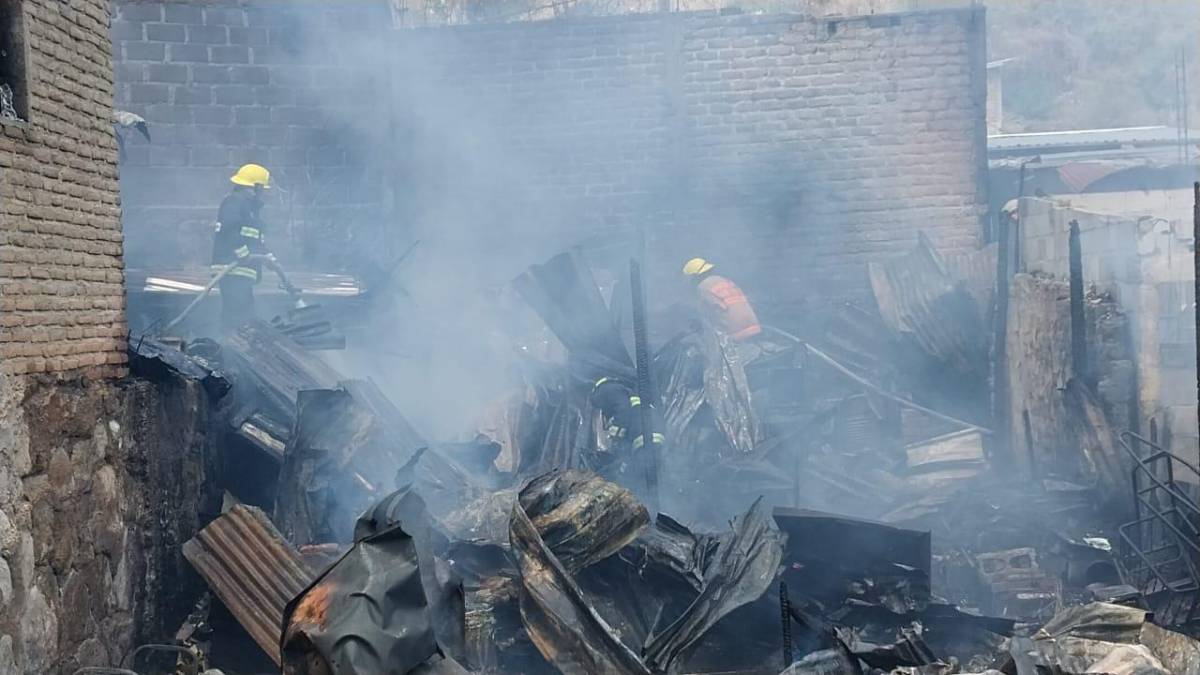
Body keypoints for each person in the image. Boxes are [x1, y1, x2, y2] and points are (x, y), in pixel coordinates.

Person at [210, 163, 296, 332]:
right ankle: (232, 345)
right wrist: (243, 254)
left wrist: (269, 259)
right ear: (254, 187)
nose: (264, 193)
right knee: (237, 314)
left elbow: (254, 242)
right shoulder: (234, 203)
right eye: (262, 188)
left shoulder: (249, 209)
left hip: (242, 271)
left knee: (245, 311)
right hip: (232, 269)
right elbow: (229, 232)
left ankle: (239, 343)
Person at [681, 257, 761, 341]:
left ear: (694, 276)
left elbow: (705, 315)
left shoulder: (702, 288)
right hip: (754, 327)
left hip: (736, 334)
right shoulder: (725, 281)